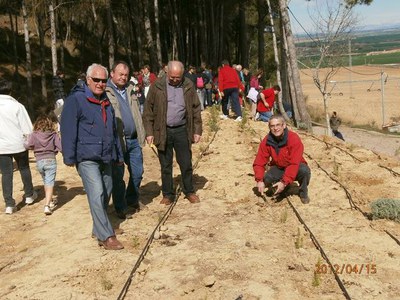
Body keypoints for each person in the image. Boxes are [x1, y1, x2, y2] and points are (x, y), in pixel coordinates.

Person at [60, 63, 124, 250]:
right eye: (96, 80)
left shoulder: (106, 100)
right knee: (96, 192)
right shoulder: (76, 100)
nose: (100, 84)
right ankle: (107, 236)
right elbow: (68, 128)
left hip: (106, 155)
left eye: (104, 81)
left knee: (107, 189)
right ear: (88, 80)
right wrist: (69, 156)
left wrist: (118, 154)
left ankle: (99, 226)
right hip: (86, 156)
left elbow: (113, 130)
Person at [143, 60, 202, 205]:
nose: (175, 80)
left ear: (182, 74)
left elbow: (195, 108)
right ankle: (168, 194)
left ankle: (189, 191)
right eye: (172, 77)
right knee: (165, 164)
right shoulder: (157, 85)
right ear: (166, 72)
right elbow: (148, 111)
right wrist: (149, 132)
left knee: (186, 163)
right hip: (163, 130)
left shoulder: (188, 85)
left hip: (182, 129)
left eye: (178, 77)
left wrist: (197, 130)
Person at [105, 61, 146, 220]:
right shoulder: (105, 91)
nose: (123, 77)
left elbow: (137, 113)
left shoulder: (131, 89)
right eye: (120, 74)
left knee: (138, 172)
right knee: (118, 176)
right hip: (118, 142)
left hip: (134, 140)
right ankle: (120, 207)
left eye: (126, 75)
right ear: (112, 74)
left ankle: (132, 198)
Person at [253, 114, 311, 204]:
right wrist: (259, 180)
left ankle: (303, 192)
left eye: (278, 125)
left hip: (295, 167)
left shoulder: (293, 139)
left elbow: (294, 163)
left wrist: (284, 182)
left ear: (284, 125)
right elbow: (259, 162)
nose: (275, 128)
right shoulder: (267, 141)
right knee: (267, 179)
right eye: (272, 126)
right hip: (279, 167)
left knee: (304, 171)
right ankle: (284, 189)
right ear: (269, 127)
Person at [0, 79, 37, 215]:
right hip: (18, 144)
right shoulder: (17, 106)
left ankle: (9, 204)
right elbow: (27, 128)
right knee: (24, 168)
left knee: (6, 173)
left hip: (2, 146)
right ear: (10, 91)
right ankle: (29, 195)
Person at [24, 115, 62, 215]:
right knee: (49, 182)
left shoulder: (34, 134)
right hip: (51, 160)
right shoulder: (53, 134)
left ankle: (51, 200)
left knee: (46, 181)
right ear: (50, 124)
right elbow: (60, 147)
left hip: (39, 161)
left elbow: (28, 145)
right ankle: (47, 205)